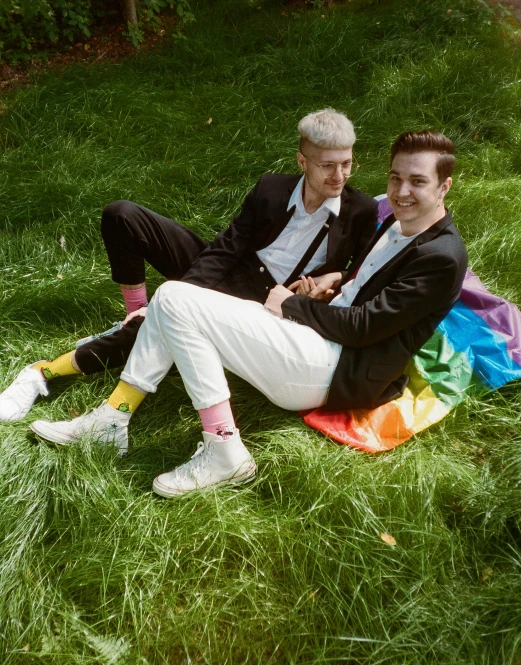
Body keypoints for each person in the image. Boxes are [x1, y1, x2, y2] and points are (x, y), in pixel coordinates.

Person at [26, 130, 468, 498]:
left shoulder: (442, 256)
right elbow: (368, 282)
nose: (401, 191)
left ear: (444, 186)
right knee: (174, 302)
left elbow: (364, 327)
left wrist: (289, 305)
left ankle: (224, 451)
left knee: (177, 299)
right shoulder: (397, 221)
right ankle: (114, 417)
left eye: (417, 182)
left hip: (335, 370)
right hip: (316, 342)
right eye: (395, 178)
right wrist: (340, 280)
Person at [0, 109, 376, 423]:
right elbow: (226, 249)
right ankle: (136, 314)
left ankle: (40, 373)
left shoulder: (360, 209)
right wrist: (186, 290)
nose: (339, 176)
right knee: (123, 215)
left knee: (159, 324)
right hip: (229, 271)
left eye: (346, 164)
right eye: (328, 166)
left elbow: (365, 272)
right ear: (301, 161)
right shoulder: (271, 189)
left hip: (265, 306)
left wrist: (335, 276)